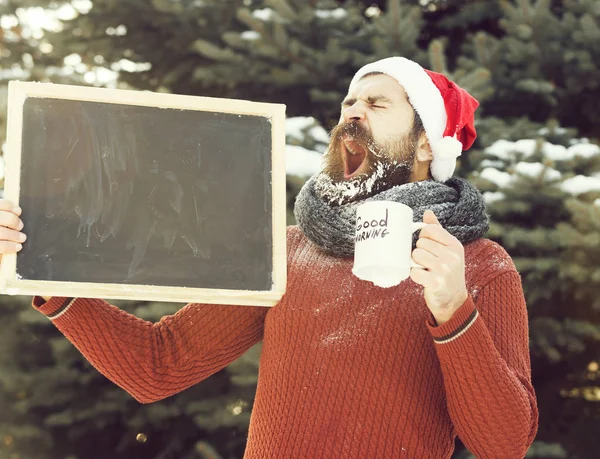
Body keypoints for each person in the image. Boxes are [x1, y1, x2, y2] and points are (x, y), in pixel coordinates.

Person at [0, 57, 538, 458]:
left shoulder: (477, 264)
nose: (353, 111)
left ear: (427, 143)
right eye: (349, 102)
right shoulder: (290, 248)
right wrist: (46, 271)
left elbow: (505, 443)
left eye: (377, 104)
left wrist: (453, 309)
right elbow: (156, 366)